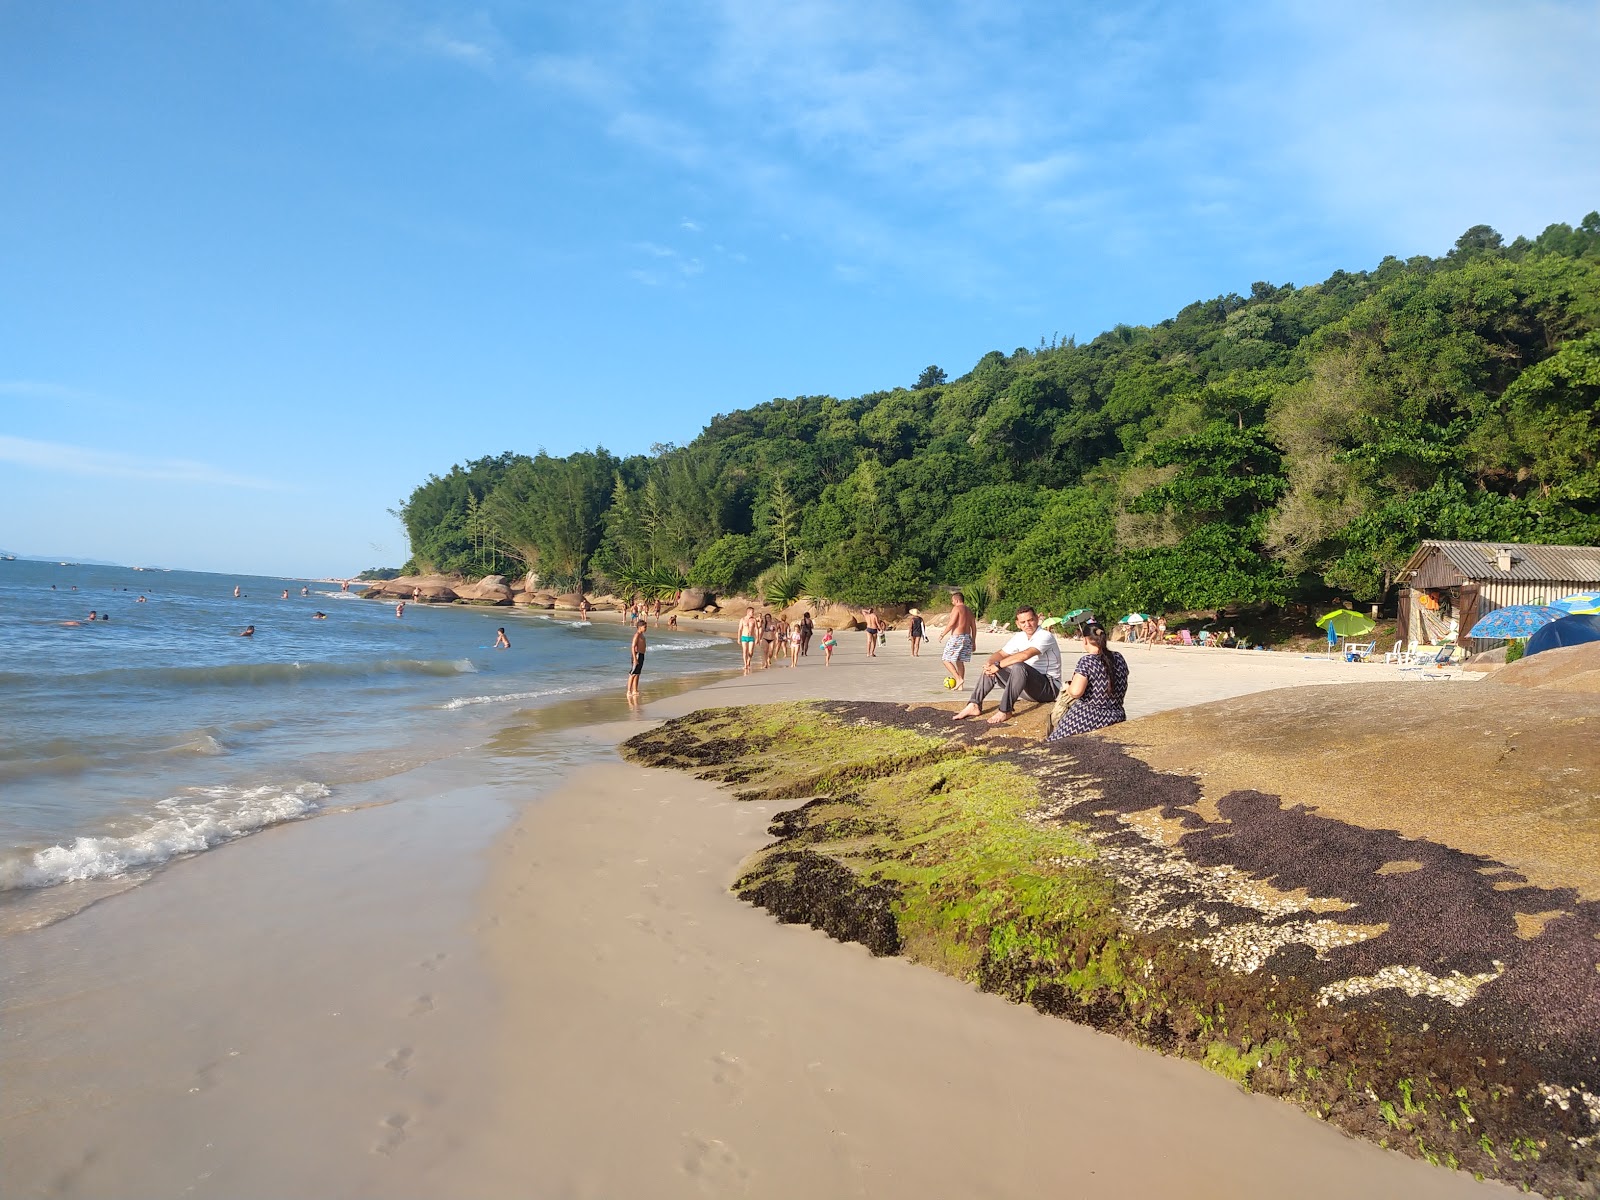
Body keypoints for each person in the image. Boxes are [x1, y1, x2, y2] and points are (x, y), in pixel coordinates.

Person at [952, 605, 1061, 725]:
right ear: (1018, 624)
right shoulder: (1019, 636)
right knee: (992, 667)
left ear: (1037, 618)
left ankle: (1005, 710)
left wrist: (998, 665)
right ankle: (974, 704)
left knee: (1019, 666)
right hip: (1026, 687)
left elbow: (1025, 655)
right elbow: (1001, 653)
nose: (1027, 625)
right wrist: (990, 663)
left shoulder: (1045, 635)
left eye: (1030, 620)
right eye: (1023, 622)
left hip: (1049, 688)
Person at [1047, 623, 1129, 740]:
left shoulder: (1087, 661)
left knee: (1053, 741)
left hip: (1090, 715)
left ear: (1085, 640)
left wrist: (1069, 687)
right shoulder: (1118, 657)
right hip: (1117, 713)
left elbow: (1076, 692)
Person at [940, 590, 977, 688]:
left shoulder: (956, 608)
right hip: (967, 637)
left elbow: (952, 623)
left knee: (945, 659)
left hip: (957, 637)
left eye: (952, 601)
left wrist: (943, 634)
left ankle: (958, 678)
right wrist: (973, 641)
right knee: (960, 661)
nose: (952, 603)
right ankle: (960, 686)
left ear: (956, 600)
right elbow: (973, 627)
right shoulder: (969, 610)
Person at [627, 619, 647, 698]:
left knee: (638, 673)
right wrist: (635, 658)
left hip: (641, 655)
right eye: (644, 627)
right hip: (637, 655)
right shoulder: (637, 635)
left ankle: (635, 690)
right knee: (633, 673)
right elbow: (633, 646)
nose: (646, 628)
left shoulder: (642, 635)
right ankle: (629, 690)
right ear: (639, 627)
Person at [738, 607, 759, 674]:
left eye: (753, 612)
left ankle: (748, 661)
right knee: (745, 651)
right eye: (752, 612)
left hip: (751, 637)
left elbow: (756, 629)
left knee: (750, 651)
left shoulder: (754, 620)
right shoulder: (743, 619)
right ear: (748, 612)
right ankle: (745, 664)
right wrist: (738, 638)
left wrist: (757, 638)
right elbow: (740, 629)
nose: (753, 613)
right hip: (744, 637)